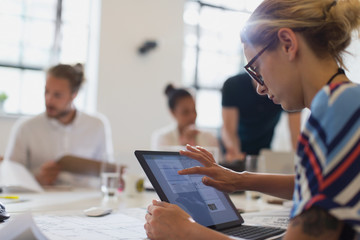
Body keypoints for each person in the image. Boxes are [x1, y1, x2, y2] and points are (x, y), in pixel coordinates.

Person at [144, 0, 360, 239]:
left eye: (256, 68)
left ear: (288, 44)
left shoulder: (338, 110)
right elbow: (316, 183)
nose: (258, 87)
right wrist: (239, 180)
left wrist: (185, 231)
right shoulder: (344, 103)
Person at [5, 63, 113, 186]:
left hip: (86, 198)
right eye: (46, 92)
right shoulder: (25, 128)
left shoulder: (97, 125)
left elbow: (108, 173)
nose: (49, 99)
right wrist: (37, 178)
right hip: (41, 199)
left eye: (57, 95)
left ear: (74, 95)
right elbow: (9, 175)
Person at [221, 72, 301, 162]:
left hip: (263, 152)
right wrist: (234, 153)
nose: (260, 89)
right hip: (234, 150)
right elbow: (229, 130)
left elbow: (296, 134)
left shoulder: (284, 90)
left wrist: (299, 160)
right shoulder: (233, 85)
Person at [151, 84, 220, 160]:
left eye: (194, 110)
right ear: (172, 112)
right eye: (185, 112)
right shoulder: (162, 137)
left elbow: (219, 164)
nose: (192, 116)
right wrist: (184, 145)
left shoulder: (209, 137)